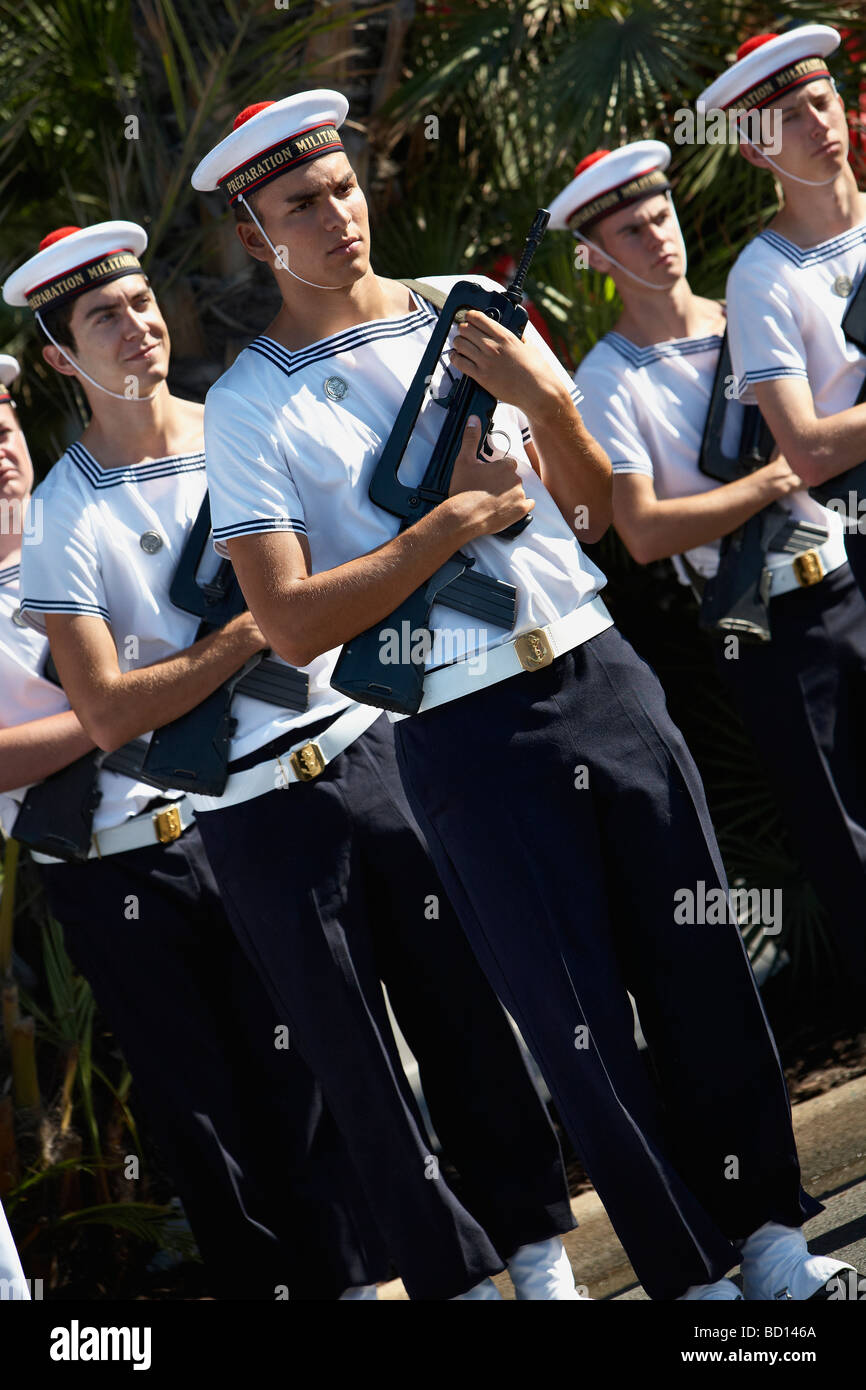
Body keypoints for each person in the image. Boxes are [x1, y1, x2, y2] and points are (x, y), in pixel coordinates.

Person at [192, 88, 861, 1300]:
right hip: (462, 725)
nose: (337, 215)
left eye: (341, 186)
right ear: (253, 232)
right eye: (301, 202)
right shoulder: (248, 403)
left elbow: (597, 509)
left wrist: (541, 393)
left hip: (599, 666)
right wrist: (451, 518)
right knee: (577, 1021)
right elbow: (286, 619)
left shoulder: (467, 307)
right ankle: (692, 1274)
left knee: (698, 964)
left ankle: (767, 1236)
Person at [5, 221, 582, 1303]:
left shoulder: (245, 414)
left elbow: (363, 556)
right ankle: (451, 1280)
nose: (136, 328)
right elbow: (112, 711)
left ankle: (540, 1254)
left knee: (459, 1012)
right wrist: (255, 631)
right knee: (350, 1070)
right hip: (248, 804)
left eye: (138, 302)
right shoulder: (61, 516)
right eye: (101, 318)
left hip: (364, 747)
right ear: (58, 358)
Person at [0, 344, 388, 1302]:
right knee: (203, 1121)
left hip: (231, 820)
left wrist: (141, 694)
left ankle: (353, 1284)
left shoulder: (97, 512)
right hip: (113, 866)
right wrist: (121, 706)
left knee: (305, 1076)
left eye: (1, 425)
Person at [556, 140, 866, 996]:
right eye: (631, 229)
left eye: (662, 216)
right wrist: (774, 477)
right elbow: (645, 532)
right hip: (766, 626)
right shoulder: (607, 380)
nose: (658, 238)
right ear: (594, 256)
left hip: (848, 577)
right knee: (844, 841)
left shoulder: (747, 311)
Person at [699, 24, 866, 596]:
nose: (817, 124)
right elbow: (809, 451)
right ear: (753, 150)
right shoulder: (760, 277)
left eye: (821, 103)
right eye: (789, 118)